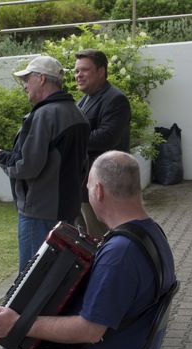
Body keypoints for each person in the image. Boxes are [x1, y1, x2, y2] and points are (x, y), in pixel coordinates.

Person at [0, 151, 177, 349]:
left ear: (99, 190)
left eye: (88, 187)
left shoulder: (120, 253)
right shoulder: (150, 231)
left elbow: (90, 330)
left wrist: (19, 323)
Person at [0, 55, 90, 270]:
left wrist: (1, 157)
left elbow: (26, 166)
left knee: (32, 279)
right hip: (68, 210)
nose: (25, 85)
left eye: (27, 79)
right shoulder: (78, 114)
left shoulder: (43, 115)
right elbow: (83, 166)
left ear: (41, 78)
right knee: (56, 277)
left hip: (40, 213)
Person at [74, 49, 132, 240]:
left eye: (85, 70)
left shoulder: (116, 99)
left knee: (102, 243)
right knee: (85, 246)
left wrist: (69, 139)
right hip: (83, 188)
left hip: (103, 189)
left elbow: (107, 137)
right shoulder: (82, 101)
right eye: (76, 71)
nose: (78, 75)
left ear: (101, 71)